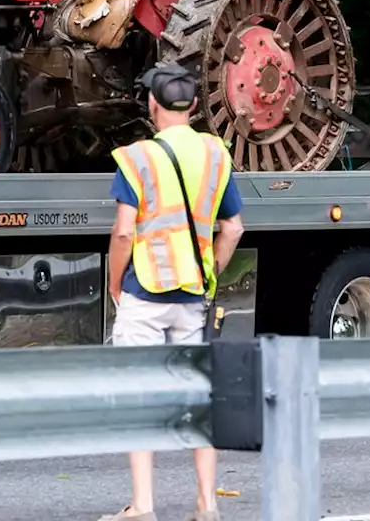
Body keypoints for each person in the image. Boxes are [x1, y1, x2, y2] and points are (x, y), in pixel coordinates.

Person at [100, 62, 246, 521]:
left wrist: (113, 285)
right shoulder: (214, 154)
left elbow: (124, 233)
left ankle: (143, 506)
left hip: (143, 292)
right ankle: (206, 503)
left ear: (152, 104)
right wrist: (210, 272)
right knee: (195, 397)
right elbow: (234, 228)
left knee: (139, 394)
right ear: (195, 107)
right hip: (191, 298)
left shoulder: (138, 157)